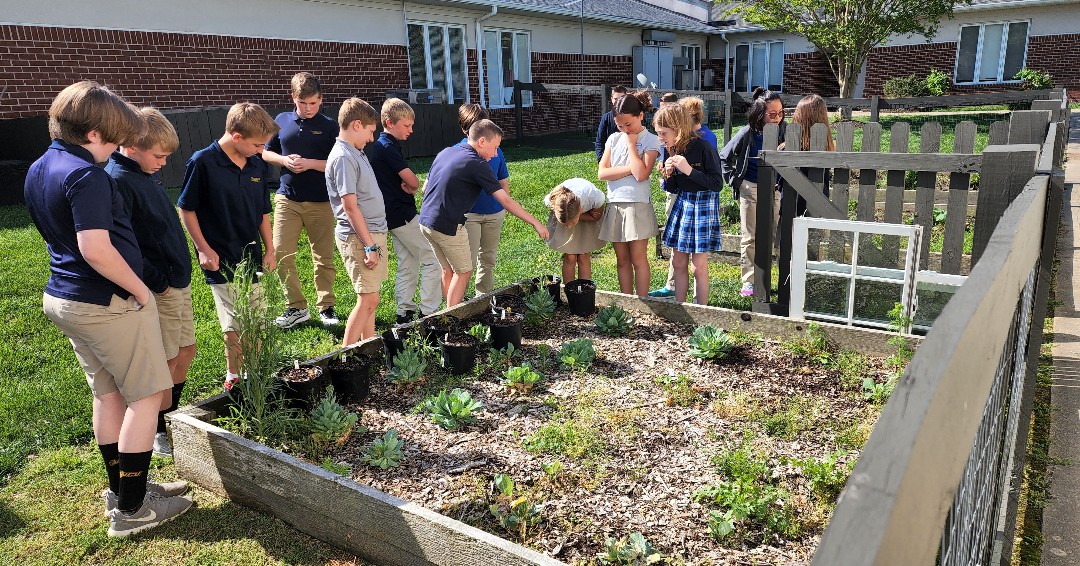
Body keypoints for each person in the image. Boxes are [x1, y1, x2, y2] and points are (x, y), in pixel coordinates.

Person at [24, 81, 192, 537]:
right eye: (115, 137)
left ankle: (122, 489)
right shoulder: (86, 175)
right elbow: (95, 248)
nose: (118, 146)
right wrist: (140, 290)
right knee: (148, 395)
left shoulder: (41, 165)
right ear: (94, 132)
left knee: (109, 393)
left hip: (65, 297)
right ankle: (133, 510)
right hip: (105, 303)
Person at [105, 107, 194, 458]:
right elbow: (123, 246)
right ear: (131, 145)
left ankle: (171, 419)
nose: (163, 163)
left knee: (185, 351)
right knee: (165, 361)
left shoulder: (143, 174)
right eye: (158, 156)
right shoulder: (118, 182)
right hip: (162, 286)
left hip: (177, 281)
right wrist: (158, 283)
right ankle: (159, 430)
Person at [178, 103, 279, 388]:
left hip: (253, 256)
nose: (261, 150)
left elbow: (262, 211)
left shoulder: (256, 163)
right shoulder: (202, 162)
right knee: (234, 322)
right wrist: (202, 248)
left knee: (257, 320)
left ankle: (257, 374)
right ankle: (234, 375)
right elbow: (187, 208)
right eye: (257, 144)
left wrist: (270, 249)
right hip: (220, 258)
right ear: (236, 137)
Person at [419, 119, 549, 306]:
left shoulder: (447, 152)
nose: (496, 153)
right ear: (481, 142)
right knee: (463, 272)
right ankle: (453, 318)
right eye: (495, 147)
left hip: (425, 222)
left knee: (447, 270)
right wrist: (535, 222)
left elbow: (425, 188)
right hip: (448, 225)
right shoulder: (477, 163)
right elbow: (505, 200)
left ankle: (446, 318)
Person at [262, 72, 341, 329]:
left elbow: (337, 163)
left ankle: (326, 307)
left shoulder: (330, 126)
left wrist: (308, 164)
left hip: (321, 201)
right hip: (288, 199)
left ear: (321, 99)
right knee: (282, 253)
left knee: (323, 257)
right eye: (302, 103)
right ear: (292, 97)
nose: (308, 109)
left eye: (314, 103)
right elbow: (264, 152)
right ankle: (296, 306)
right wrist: (284, 161)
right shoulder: (281, 120)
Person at [367, 97, 441, 324]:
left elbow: (408, 183)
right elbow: (414, 182)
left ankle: (404, 312)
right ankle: (429, 312)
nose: (411, 130)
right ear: (389, 123)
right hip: (401, 214)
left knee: (408, 261)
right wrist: (411, 186)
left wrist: (409, 186)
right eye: (406, 126)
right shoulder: (388, 147)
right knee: (433, 258)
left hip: (393, 214)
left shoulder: (385, 146)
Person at [325, 98, 387, 346]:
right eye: (371, 131)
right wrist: (370, 245)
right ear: (357, 125)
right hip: (360, 238)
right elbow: (350, 206)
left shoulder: (355, 152)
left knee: (372, 298)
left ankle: (367, 346)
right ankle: (346, 355)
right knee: (368, 299)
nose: (372, 138)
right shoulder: (343, 157)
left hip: (371, 234)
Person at [654, 103, 725, 305]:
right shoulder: (671, 148)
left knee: (698, 266)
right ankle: (680, 307)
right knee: (678, 262)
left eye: (663, 133)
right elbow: (674, 187)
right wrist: (668, 176)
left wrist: (688, 170)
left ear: (678, 128)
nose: (661, 138)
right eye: (658, 133)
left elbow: (717, 184)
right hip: (683, 203)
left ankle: (700, 309)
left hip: (702, 206)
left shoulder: (703, 147)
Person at [719, 87, 785, 297]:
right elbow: (724, 157)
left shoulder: (785, 131)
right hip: (751, 187)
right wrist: (737, 183)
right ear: (760, 113)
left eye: (781, 113)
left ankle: (771, 277)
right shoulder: (748, 133)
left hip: (774, 188)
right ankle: (749, 280)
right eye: (771, 114)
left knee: (774, 234)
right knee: (750, 236)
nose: (777, 118)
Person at [597, 90, 662, 297]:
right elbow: (602, 173)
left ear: (641, 116)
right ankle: (627, 301)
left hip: (637, 205)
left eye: (629, 124)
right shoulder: (613, 140)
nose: (625, 130)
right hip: (615, 203)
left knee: (638, 259)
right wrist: (630, 168)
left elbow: (642, 174)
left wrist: (632, 146)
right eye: (620, 126)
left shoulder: (651, 141)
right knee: (622, 260)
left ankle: (642, 301)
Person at [459, 103, 509, 296]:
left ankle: (483, 298)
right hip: (469, 215)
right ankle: (460, 303)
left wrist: (503, 208)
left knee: (488, 259)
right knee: (466, 263)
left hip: (494, 213)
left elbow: (503, 181)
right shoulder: (458, 150)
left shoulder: (496, 151)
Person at [544, 178, 606, 283]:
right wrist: (567, 220)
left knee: (583, 255)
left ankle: (584, 290)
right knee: (570, 256)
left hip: (585, 216)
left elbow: (596, 217)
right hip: (567, 211)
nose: (568, 227)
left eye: (571, 224)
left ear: (581, 211)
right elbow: (559, 212)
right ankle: (569, 290)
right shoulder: (553, 199)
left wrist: (584, 216)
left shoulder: (594, 197)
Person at [594, 85, 627, 162]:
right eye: (616, 99)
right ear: (611, 99)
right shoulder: (606, 118)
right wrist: (601, 159)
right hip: (610, 157)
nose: (618, 101)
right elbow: (600, 141)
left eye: (621, 98)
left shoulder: (633, 117)